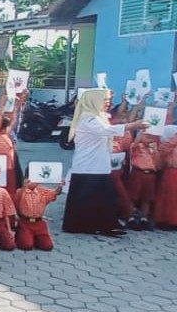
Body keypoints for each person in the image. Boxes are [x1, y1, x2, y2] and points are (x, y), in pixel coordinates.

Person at [63, 89, 148, 236]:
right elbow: (107, 130)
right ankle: (80, 225)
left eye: (108, 100)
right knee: (86, 198)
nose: (107, 103)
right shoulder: (88, 119)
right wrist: (133, 125)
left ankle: (106, 225)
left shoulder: (99, 117)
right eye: (104, 100)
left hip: (99, 165)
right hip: (87, 167)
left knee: (104, 198)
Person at [15, 175, 64, 251]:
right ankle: (21, 236)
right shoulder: (20, 191)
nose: (33, 182)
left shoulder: (42, 191)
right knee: (27, 245)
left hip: (39, 222)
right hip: (25, 222)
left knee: (48, 246)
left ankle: (35, 238)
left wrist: (60, 186)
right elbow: (16, 201)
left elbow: (56, 192)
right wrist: (24, 187)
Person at [126, 132, 160, 231]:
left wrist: (155, 151)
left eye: (152, 137)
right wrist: (141, 135)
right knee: (133, 196)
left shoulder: (153, 148)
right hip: (138, 172)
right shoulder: (138, 146)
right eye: (147, 136)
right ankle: (130, 218)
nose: (150, 139)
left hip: (150, 173)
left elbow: (158, 163)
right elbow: (132, 147)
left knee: (147, 198)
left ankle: (144, 218)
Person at [154, 133, 177, 230]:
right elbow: (163, 151)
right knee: (169, 196)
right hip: (173, 169)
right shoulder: (173, 139)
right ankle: (165, 220)